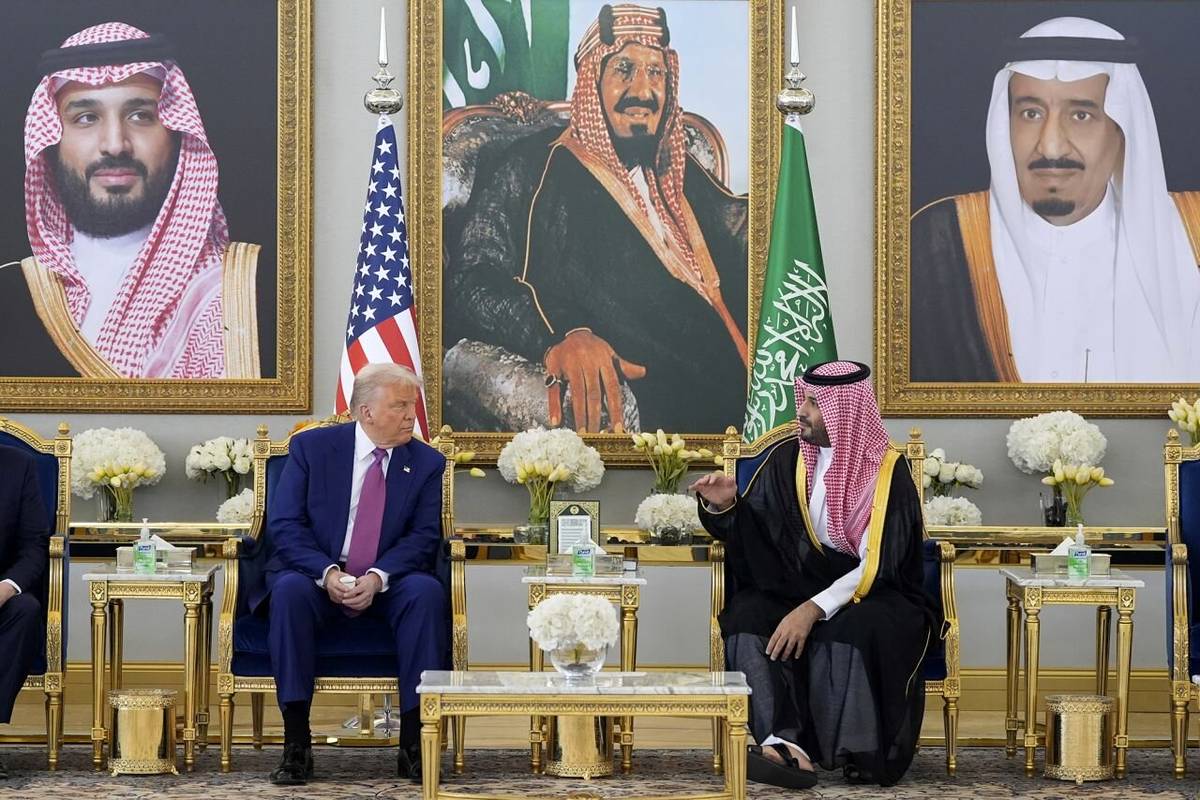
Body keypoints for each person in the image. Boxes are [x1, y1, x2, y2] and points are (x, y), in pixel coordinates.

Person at [445, 3, 748, 433]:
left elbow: (741, 235)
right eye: (624, 69)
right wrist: (564, 334)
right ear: (592, 81)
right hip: (661, 401)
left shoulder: (678, 169)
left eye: (656, 72)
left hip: (744, 387)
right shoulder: (532, 166)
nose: (643, 90)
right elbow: (472, 279)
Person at [910, 16, 1200, 383]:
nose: (1050, 146)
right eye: (1030, 114)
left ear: (1122, 129)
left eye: (1081, 115)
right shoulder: (939, 241)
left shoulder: (1190, 236)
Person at [691, 360, 932, 788]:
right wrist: (726, 506)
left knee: (854, 629)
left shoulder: (887, 473)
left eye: (815, 403)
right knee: (747, 614)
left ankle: (857, 751)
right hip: (797, 582)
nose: (801, 411)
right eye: (803, 398)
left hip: (874, 590)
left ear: (846, 411)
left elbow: (880, 562)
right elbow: (760, 534)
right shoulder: (790, 459)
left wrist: (813, 609)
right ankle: (783, 746)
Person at [0, 21, 261, 379]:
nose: (115, 144)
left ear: (176, 133)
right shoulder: (13, 295)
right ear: (51, 141)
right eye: (86, 118)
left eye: (140, 116)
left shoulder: (244, 289)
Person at [261, 363, 447, 786]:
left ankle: (414, 744)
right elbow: (285, 525)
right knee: (288, 591)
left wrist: (378, 577)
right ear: (366, 411)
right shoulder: (311, 449)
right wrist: (327, 573)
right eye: (400, 406)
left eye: (412, 406)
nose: (411, 416)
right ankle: (296, 744)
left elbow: (423, 537)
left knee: (426, 593)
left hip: (389, 581)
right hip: (317, 575)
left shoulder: (426, 462)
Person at [0, 444, 50, 780]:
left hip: (0, 595)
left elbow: (35, 544)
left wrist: (6, 588)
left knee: (25, 609)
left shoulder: (18, 465)